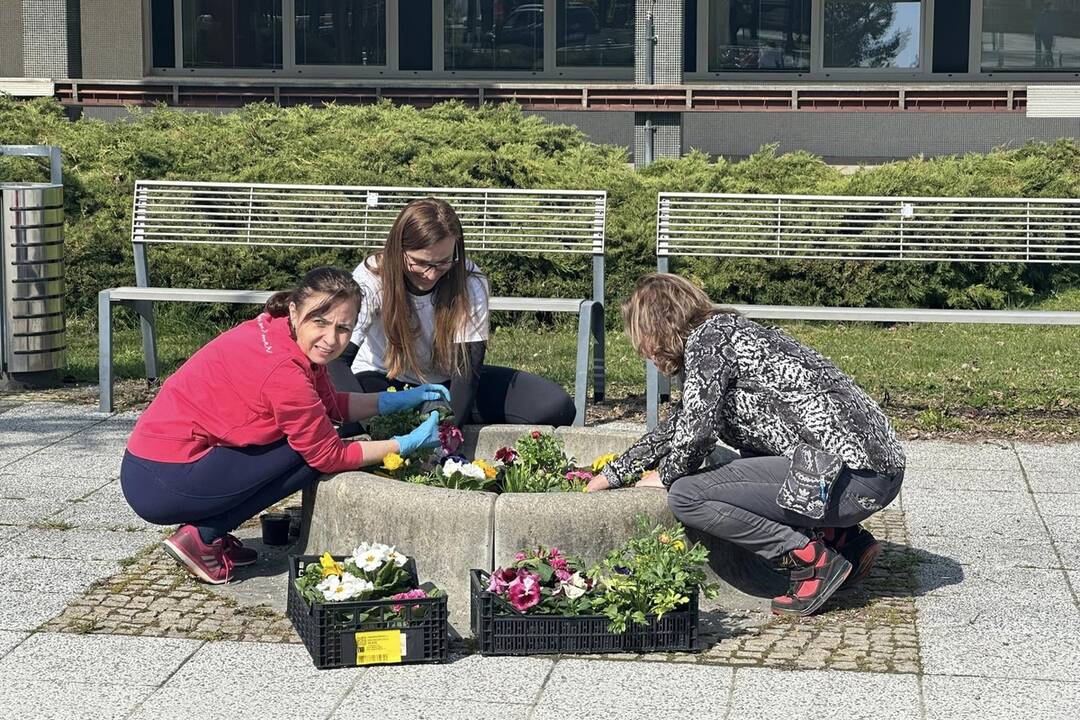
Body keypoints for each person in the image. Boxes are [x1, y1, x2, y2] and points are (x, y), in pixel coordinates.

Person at [586, 274, 906, 616]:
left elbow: (695, 434)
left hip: (851, 481)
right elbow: (680, 422)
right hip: (876, 475)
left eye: (642, 338)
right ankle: (845, 542)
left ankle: (811, 560)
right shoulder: (729, 333)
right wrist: (614, 473)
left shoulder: (708, 342)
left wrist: (666, 477)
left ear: (659, 326)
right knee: (750, 451)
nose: (644, 351)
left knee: (687, 495)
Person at [120, 267, 450, 585]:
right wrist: (403, 444)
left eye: (343, 329)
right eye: (320, 322)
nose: (330, 339)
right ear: (294, 311)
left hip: (157, 463)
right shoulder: (284, 371)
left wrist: (399, 399)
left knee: (312, 436)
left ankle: (209, 533)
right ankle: (202, 537)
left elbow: (329, 405)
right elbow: (329, 455)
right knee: (307, 454)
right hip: (162, 481)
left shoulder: (279, 332)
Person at [328, 197, 577, 427]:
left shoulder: (469, 280)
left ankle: (430, 416)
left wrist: (448, 433)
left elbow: (466, 371)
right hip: (384, 380)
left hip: (447, 383)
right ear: (398, 250)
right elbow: (337, 358)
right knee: (351, 416)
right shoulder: (371, 278)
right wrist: (365, 420)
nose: (431, 273)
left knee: (555, 406)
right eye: (421, 262)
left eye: (443, 262)